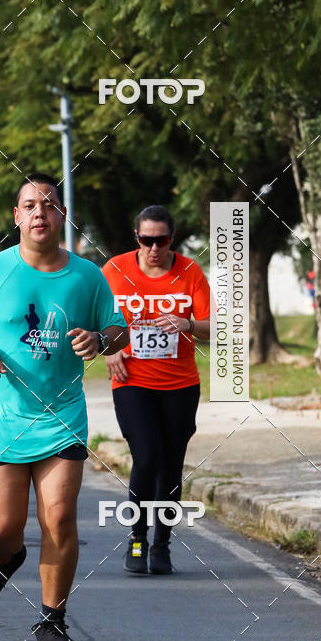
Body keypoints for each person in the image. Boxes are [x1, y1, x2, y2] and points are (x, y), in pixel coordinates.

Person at [0, 173, 128, 641]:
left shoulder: (88, 276)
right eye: (30, 204)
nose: (40, 212)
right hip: (0, 419)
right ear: (17, 216)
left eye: (49, 203)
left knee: (60, 517)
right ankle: (5, 562)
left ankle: (52, 619)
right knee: (2, 528)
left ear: (63, 214)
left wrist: (99, 340)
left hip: (61, 414)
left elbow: (117, 330)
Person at [102, 205, 211, 576]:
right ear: (137, 238)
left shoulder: (190, 272)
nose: (153, 248)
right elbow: (92, 319)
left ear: (171, 239)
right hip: (132, 381)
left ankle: (162, 544)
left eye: (160, 240)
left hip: (180, 385)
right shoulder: (115, 270)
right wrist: (110, 349)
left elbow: (216, 327)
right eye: (146, 240)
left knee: (170, 466)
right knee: (146, 456)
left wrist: (189, 323)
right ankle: (136, 537)